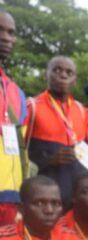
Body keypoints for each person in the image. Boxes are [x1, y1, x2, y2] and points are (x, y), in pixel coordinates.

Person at [25, 56, 87, 207]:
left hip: (75, 196)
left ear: (75, 80)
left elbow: (86, 154)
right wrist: (49, 160)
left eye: (69, 72)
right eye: (57, 70)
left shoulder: (81, 110)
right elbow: (20, 154)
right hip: (43, 198)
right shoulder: (32, 106)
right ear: (46, 74)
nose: (63, 75)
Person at [0, 10, 28, 226]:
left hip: (10, 198)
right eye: (0, 30)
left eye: (11, 32)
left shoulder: (16, 92)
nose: (6, 38)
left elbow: (21, 148)